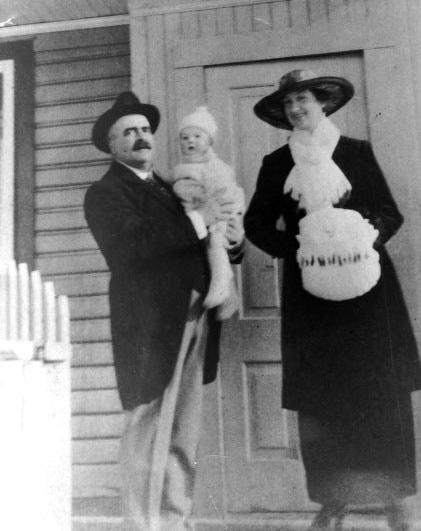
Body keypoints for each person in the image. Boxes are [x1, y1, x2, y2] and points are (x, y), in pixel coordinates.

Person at [244, 69, 421, 531]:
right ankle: (332, 500)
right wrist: (299, 250)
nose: (297, 109)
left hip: (369, 296)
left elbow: (389, 212)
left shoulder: (356, 153)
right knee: (323, 398)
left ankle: (396, 500)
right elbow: (257, 225)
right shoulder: (276, 163)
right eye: (288, 104)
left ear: (322, 102)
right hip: (312, 298)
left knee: (380, 392)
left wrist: (362, 238)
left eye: (303, 99)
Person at [84, 91, 244, 531]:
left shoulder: (172, 188)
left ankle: (174, 519)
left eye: (146, 130)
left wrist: (230, 238)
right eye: (129, 132)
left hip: (195, 315)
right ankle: (140, 524)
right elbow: (130, 248)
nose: (141, 138)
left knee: (183, 429)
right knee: (148, 424)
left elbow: (203, 232)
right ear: (112, 145)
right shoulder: (105, 193)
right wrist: (198, 219)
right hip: (150, 324)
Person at [173, 105, 245, 320]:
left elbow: (222, 192)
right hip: (194, 237)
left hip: (222, 216)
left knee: (215, 244)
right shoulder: (182, 169)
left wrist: (225, 218)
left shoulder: (215, 166)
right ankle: (227, 293)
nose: (190, 141)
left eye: (197, 136)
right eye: (185, 138)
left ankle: (223, 284)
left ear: (210, 141)